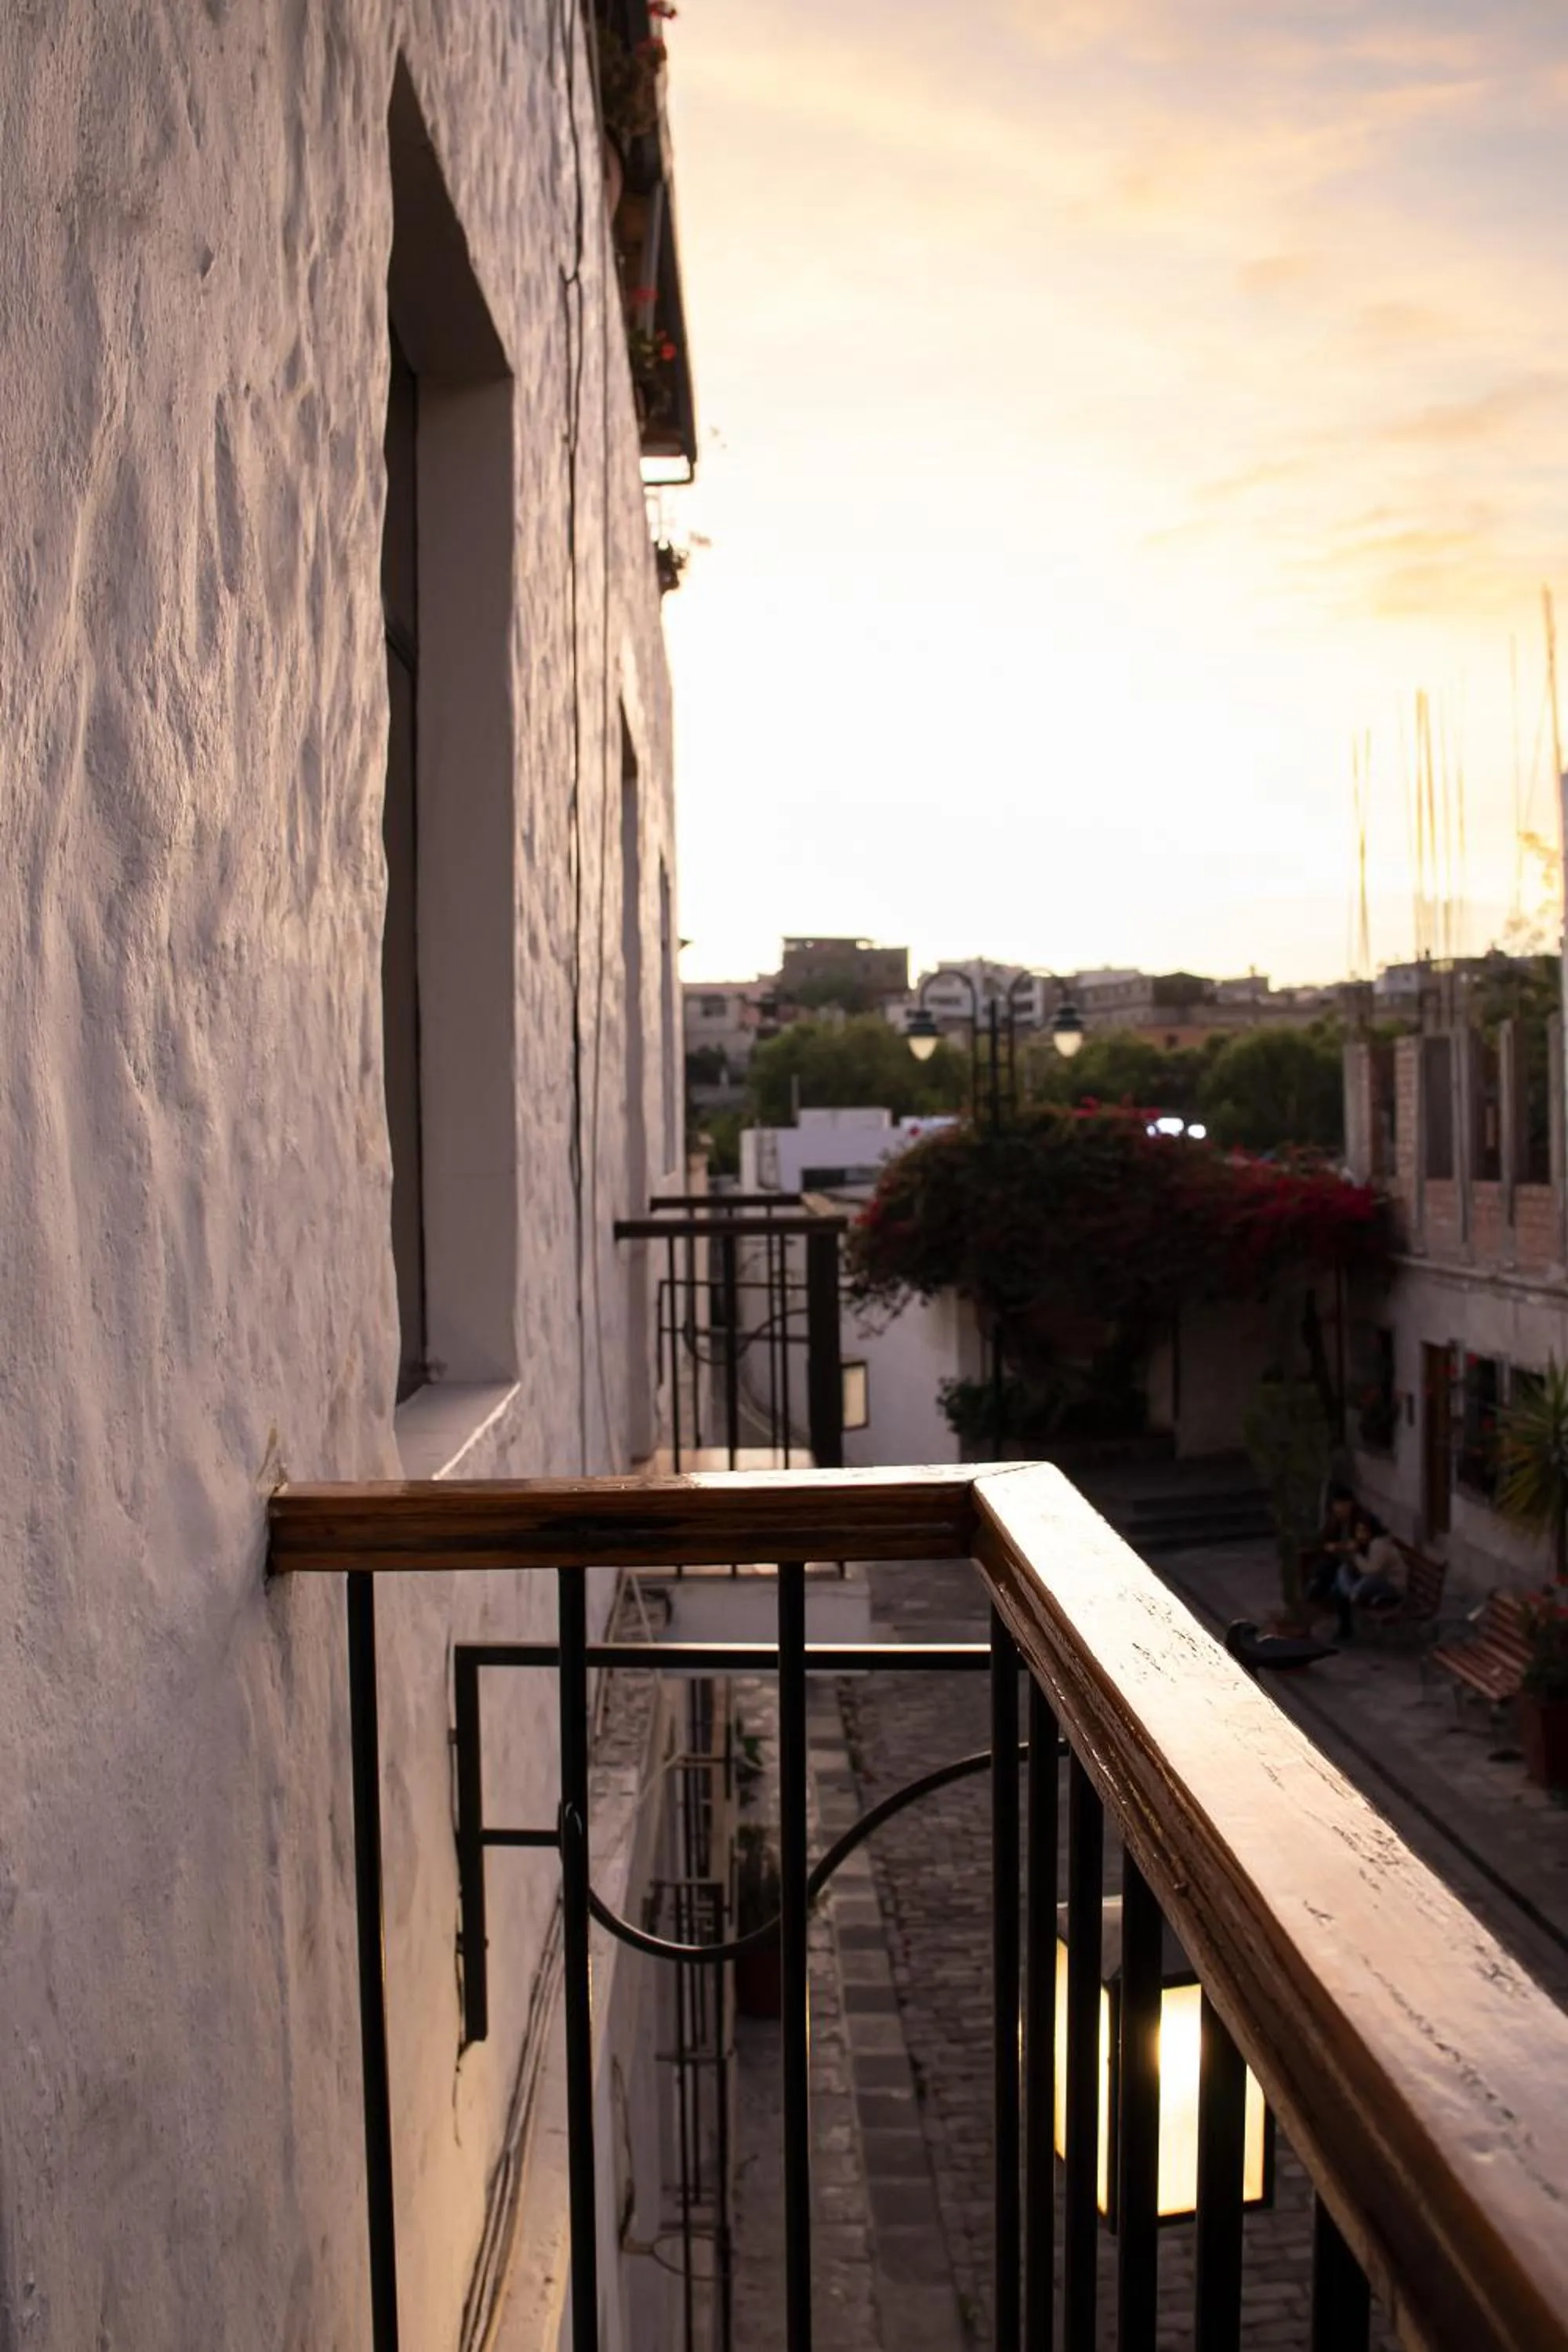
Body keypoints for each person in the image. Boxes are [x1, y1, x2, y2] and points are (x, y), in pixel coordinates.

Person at [1304, 1486, 1359, 1615]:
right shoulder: (1335, 1521)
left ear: (1349, 1504)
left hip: (1355, 1564)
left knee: (1334, 1585)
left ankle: (1313, 1602)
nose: (1337, 1509)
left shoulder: (1358, 1521)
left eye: (1340, 1505)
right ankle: (1312, 1599)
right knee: (1322, 1570)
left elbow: (1357, 1545)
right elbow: (1325, 1540)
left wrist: (1338, 1547)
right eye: (1335, 1505)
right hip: (1338, 1561)